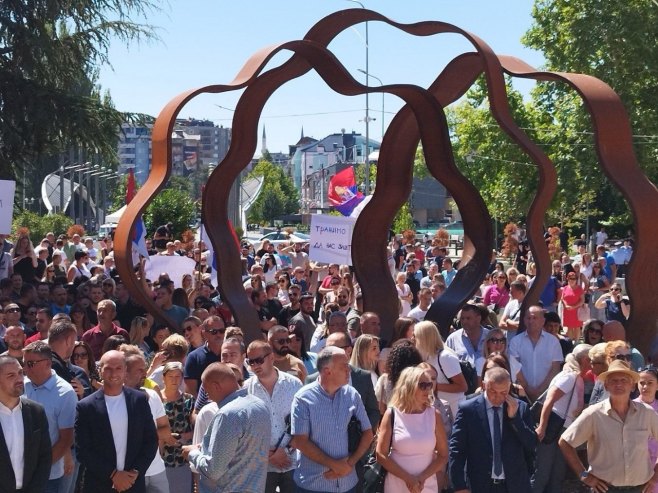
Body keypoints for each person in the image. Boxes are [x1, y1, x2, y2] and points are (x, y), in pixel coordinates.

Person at [559, 361, 658, 493]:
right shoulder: (593, 414)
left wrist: (655, 477)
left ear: (632, 386)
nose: (619, 384)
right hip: (604, 489)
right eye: (613, 380)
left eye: (624, 380)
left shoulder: (647, 413)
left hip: (640, 488)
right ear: (606, 386)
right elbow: (565, 442)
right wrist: (584, 476)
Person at [290, 346, 374, 493]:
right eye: (344, 367)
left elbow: (368, 432)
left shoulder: (352, 395)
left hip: (348, 483)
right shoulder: (303, 398)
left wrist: (349, 464)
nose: (349, 370)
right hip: (313, 485)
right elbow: (300, 441)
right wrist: (335, 465)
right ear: (327, 371)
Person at [75, 350, 158, 493]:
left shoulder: (139, 400)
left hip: (133, 483)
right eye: (108, 368)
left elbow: (150, 440)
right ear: (100, 371)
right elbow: (83, 450)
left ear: (125, 370)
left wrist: (135, 472)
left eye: (118, 368)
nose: (113, 373)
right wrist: (113, 475)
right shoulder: (86, 407)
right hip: (99, 485)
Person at [183, 362, 271, 493]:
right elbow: (242, 447)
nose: (208, 397)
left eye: (207, 391)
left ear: (216, 386)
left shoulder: (227, 415)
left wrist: (192, 453)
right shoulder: (259, 404)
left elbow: (214, 470)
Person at [449, 367, 538, 493]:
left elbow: (531, 444)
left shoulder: (520, 408)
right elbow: (456, 450)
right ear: (484, 385)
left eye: (503, 393)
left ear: (509, 387)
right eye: (493, 391)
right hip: (480, 485)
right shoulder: (468, 410)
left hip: (514, 485)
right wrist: (459, 486)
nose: (498, 397)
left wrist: (515, 419)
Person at [376, 366, 449, 493]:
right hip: (396, 486)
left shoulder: (434, 415)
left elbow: (443, 455)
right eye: (422, 385)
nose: (427, 389)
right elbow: (380, 454)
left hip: (426, 486)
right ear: (408, 387)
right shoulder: (391, 414)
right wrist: (408, 479)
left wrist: (421, 478)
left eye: (429, 385)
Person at [244, 340, 302, 493]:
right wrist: (269, 456)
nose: (255, 365)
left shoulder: (294, 385)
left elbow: (305, 424)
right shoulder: (245, 390)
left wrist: (286, 451)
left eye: (259, 360)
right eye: (251, 362)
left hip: (293, 462)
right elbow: (245, 431)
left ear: (271, 357)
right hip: (261, 467)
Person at [533, 344, 591, 493]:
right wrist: (542, 427)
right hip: (554, 428)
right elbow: (549, 400)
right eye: (591, 360)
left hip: (564, 430)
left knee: (557, 474)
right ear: (585, 360)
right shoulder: (569, 377)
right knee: (543, 473)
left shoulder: (576, 377)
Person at [22, 342, 77, 493]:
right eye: (24, 363)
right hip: (20, 474)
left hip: (48, 476)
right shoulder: (22, 385)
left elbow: (66, 439)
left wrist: (39, 468)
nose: (25, 369)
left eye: (30, 364)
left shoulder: (65, 393)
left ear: (47, 363)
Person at [0, 355, 52, 492]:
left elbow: (45, 457)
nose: (19, 379)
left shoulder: (36, 412)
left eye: (20, 373)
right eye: (11, 375)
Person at [508, 305, 563, 402]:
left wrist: (540, 390)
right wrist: (528, 389)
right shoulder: (515, 341)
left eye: (534, 318)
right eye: (528, 318)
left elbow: (555, 369)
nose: (531, 321)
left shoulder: (553, 342)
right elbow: (515, 367)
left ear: (543, 321)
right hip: (521, 394)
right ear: (524, 320)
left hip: (546, 394)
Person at [415, 320, 467, 417]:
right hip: (439, 408)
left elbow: (462, 386)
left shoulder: (445, 357)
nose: (413, 339)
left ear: (424, 338)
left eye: (416, 336)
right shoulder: (428, 355)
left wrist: (432, 386)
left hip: (454, 410)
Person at [159, 361, 193, 491]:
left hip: (181, 457)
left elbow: (195, 427)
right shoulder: (156, 399)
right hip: (161, 455)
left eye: (177, 376)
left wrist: (184, 436)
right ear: (164, 378)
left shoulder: (189, 400)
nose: (174, 380)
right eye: (170, 376)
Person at [634, 366, 658, 493]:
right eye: (641, 383)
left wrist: (655, 477)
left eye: (650, 383)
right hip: (634, 468)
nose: (645, 387)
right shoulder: (629, 408)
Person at [559, 271, 586, 341]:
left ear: (576, 280)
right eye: (570, 278)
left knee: (577, 327)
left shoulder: (579, 289)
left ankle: (576, 342)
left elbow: (582, 300)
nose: (572, 280)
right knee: (569, 327)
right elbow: (562, 298)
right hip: (567, 311)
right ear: (568, 279)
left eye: (574, 278)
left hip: (577, 311)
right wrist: (566, 305)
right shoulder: (565, 288)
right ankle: (570, 342)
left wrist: (574, 307)